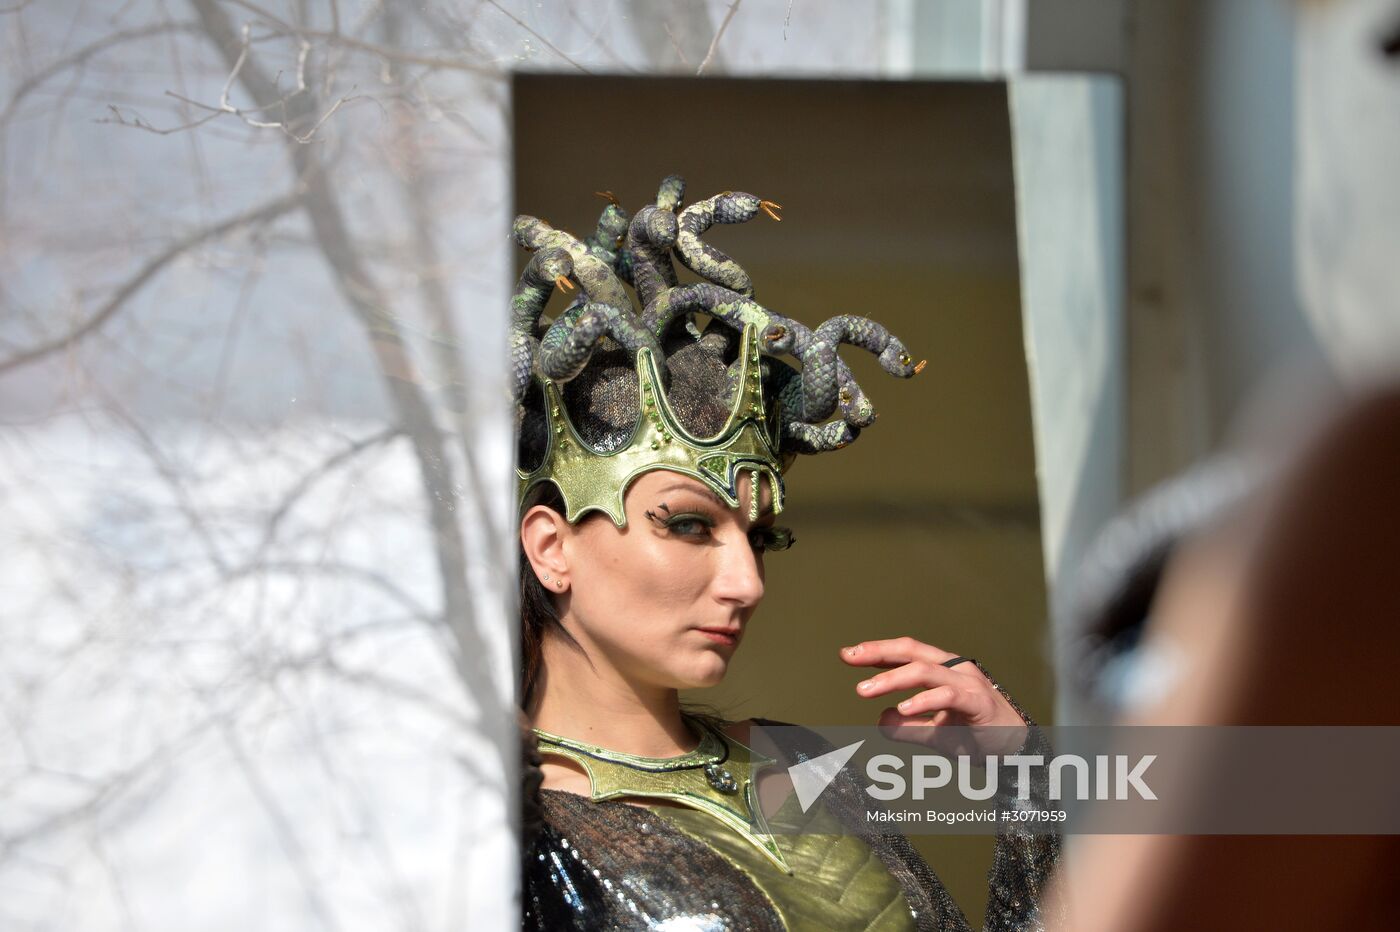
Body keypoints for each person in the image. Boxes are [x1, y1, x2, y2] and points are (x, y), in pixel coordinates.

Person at [512, 176, 1062, 931]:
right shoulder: (501, 829)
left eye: (760, 539)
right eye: (690, 526)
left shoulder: (794, 765)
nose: (748, 583)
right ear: (551, 547)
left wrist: (1023, 769)